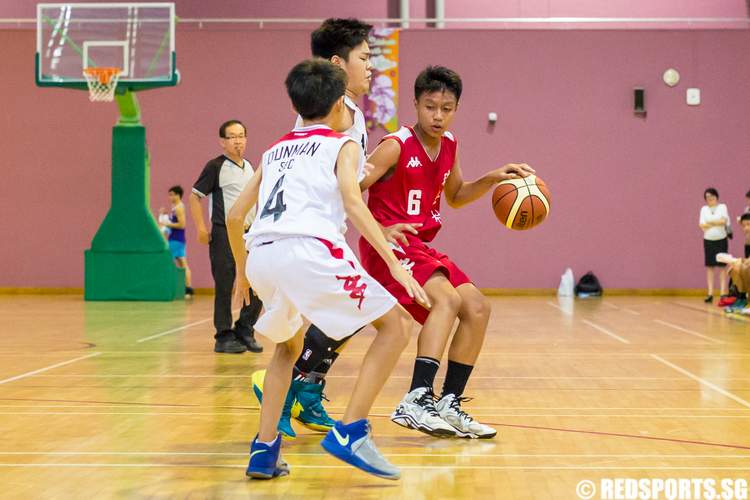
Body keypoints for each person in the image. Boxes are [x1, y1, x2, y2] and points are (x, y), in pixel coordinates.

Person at [227, 59, 429, 480]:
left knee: (286, 347)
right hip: (308, 251)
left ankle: (264, 450)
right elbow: (354, 205)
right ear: (341, 103)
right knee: (396, 327)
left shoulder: (273, 149)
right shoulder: (344, 144)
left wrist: (241, 275)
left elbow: (234, 216)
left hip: (263, 253)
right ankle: (351, 431)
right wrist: (397, 266)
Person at [360, 66, 535, 438]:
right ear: (415, 104)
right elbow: (346, 191)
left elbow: (454, 197)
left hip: (420, 248)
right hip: (387, 246)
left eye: (446, 108)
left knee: (478, 307)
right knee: (447, 300)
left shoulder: (450, 144)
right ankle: (416, 398)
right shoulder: (395, 145)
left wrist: (492, 179)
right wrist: (382, 229)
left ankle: (448, 403)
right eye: (430, 107)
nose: (437, 116)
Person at [250, 18, 375, 438]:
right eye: (364, 58)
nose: (371, 66)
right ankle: (292, 393)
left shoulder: (339, 113)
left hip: (301, 234)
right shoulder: (335, 118)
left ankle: (301, 390)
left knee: (338, 319)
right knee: (369, 315)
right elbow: (339, 180)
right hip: (307, 234)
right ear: (339, 64)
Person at [189, 120, 263, 354]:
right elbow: (194, 196)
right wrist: (201, 228)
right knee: (225, 283)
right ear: (222, 142)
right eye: (232, 137)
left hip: (250, 233)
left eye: (241, 135)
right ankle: (223, 335)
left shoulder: (250, 166)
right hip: (224, 234)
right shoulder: (215, 167)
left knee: (257, 281)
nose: (238, 140)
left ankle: (245, 328)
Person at [158, 185, 194, 297]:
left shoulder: (179, 207)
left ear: (178, 195)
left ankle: (171, 287)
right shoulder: (175, 207)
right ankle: (188, 289)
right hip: (177, 239)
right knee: (183, 263)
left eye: (172, 194)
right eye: (169, 195)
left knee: (168, 262)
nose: (170, 197)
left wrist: (166, 223)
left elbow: (182, 224)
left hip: (176, 240)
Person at [699, 187, 730, 303]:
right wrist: (714, 223)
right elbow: (702, 225)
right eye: (707, 197)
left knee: (722, 267)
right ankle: (710, 293)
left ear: (716, 197)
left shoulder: (722, 207)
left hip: (721, 240)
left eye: (711, 196)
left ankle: (723, 293)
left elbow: (723, 221)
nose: (710, 199)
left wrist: (710, 222)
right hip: (708, 240)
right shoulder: (703, 209)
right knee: (710, 267)